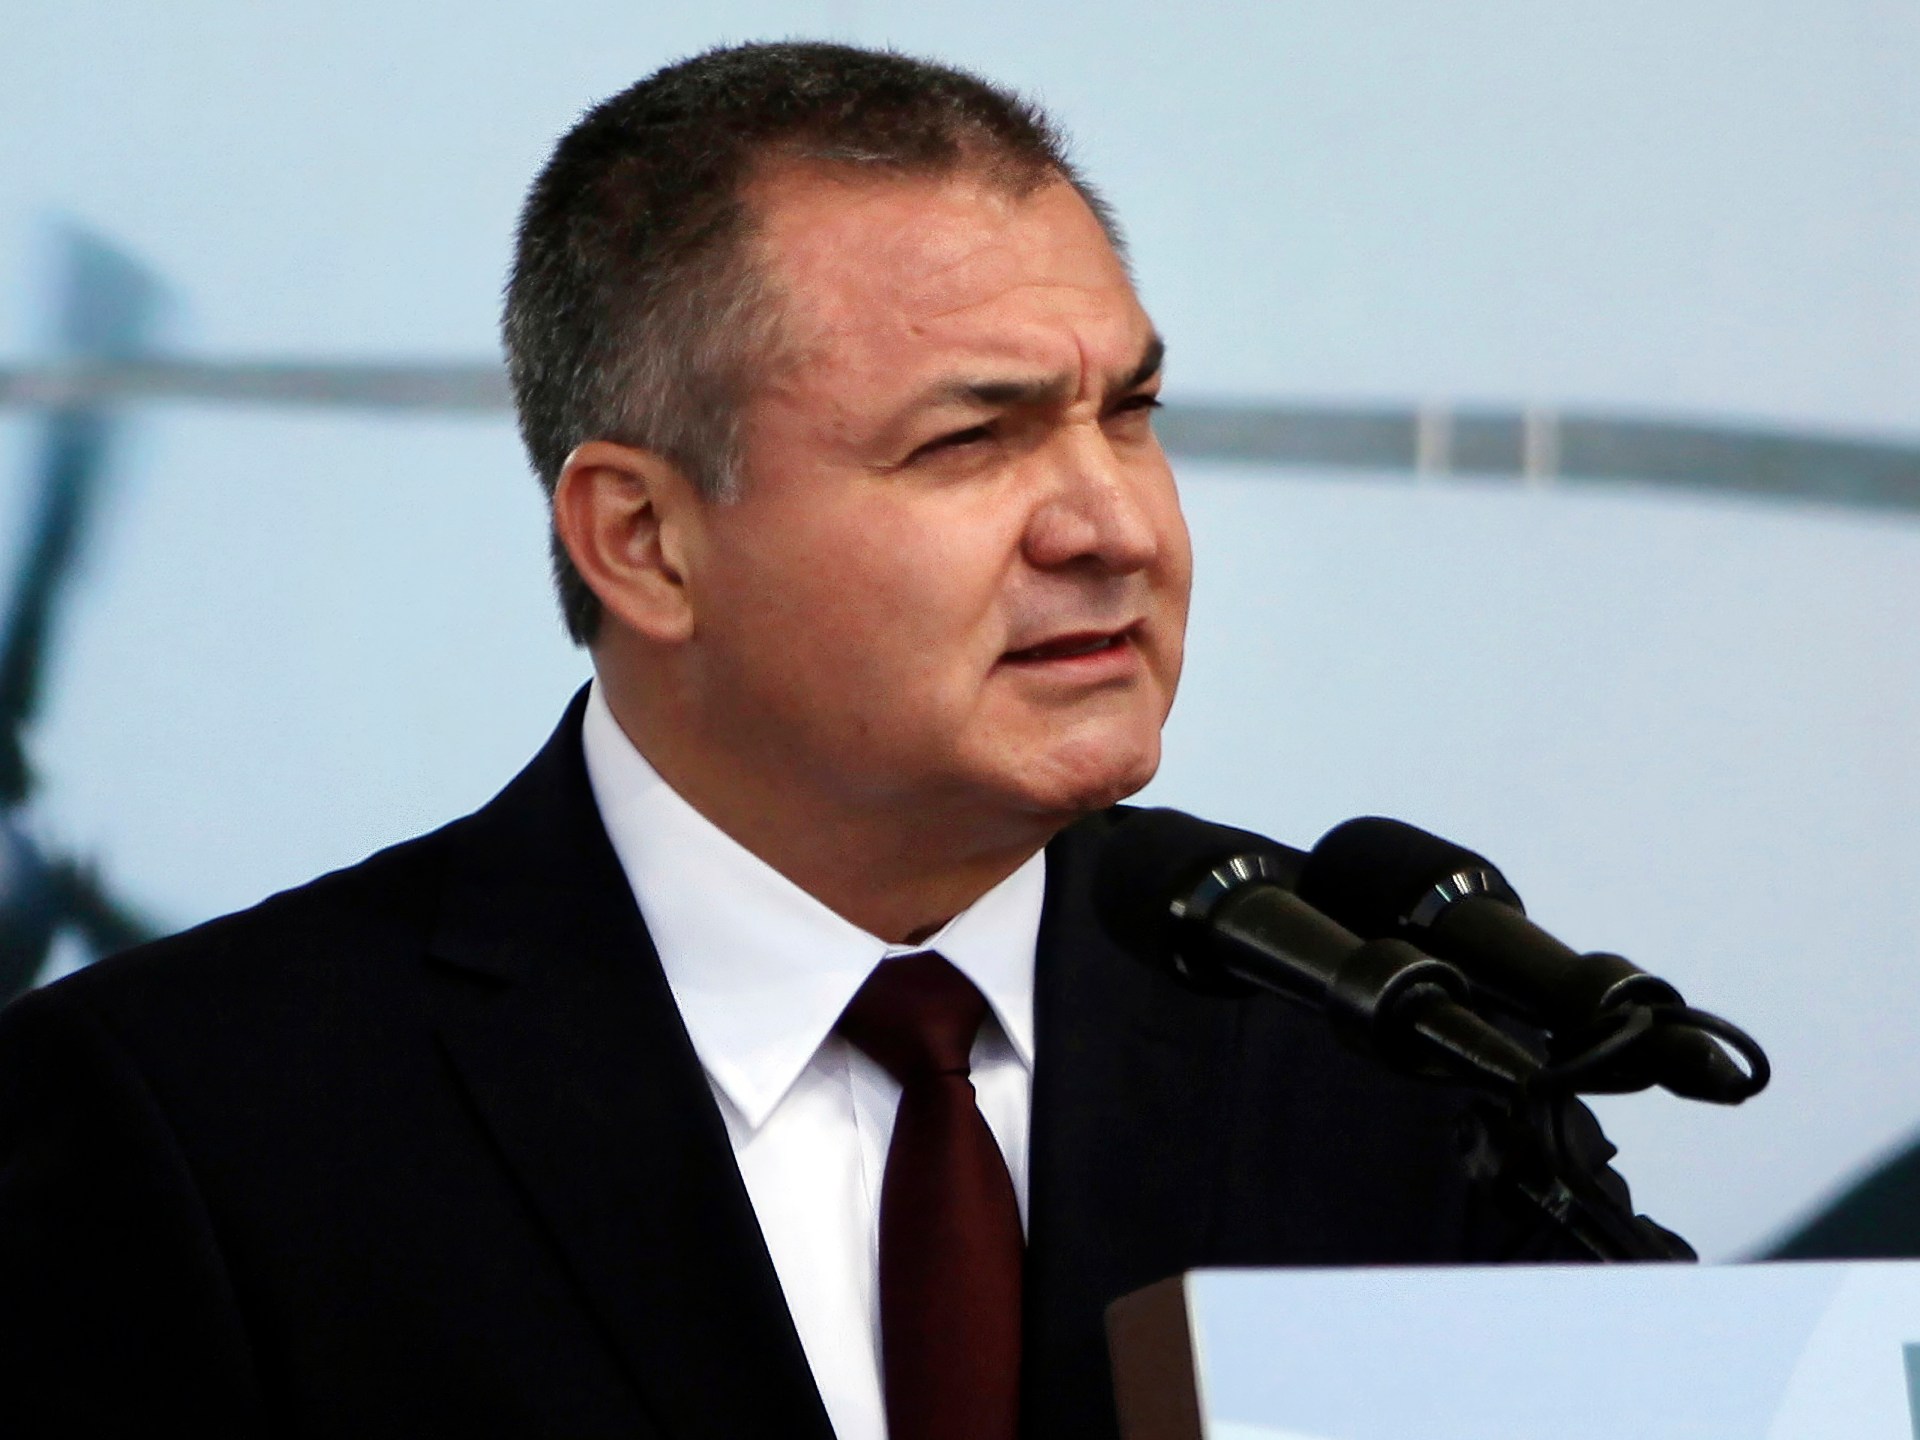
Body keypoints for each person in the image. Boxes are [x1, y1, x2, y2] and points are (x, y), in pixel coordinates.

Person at [0, 41, 1634, 1440]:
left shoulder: (1391, 1048)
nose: (1114, 526)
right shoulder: (194, 1123)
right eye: (970, 441)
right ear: (643, 540)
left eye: (1128, 415)